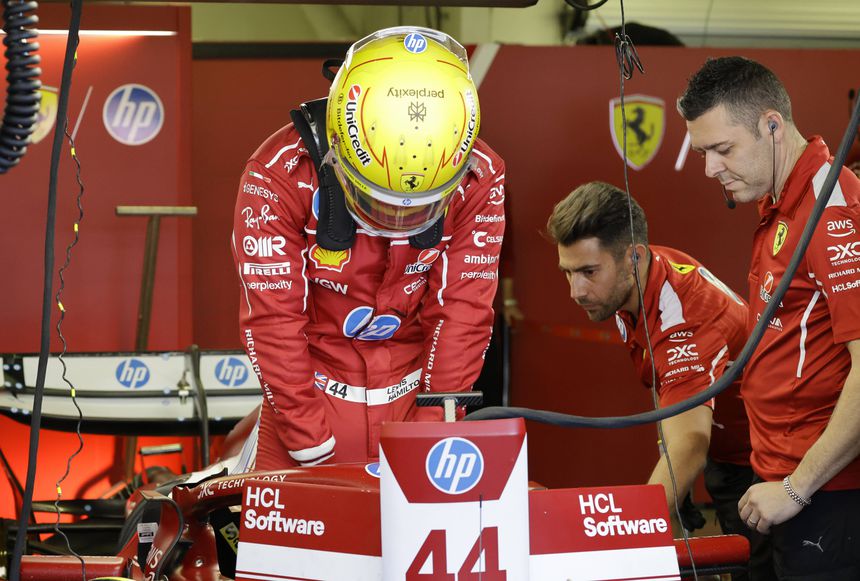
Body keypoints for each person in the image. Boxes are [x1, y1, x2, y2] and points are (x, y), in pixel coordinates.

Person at [231, 26, 505, 469]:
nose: (396, 223)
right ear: (337, 149)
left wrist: (433, 427)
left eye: (418, 209)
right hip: (307, 399)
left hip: (418, 399)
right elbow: (273, 320)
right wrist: (307, 438)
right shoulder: (278, 173)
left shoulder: (480, 174)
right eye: (378, 199)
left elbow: (463, 310)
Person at [679, 56, 860, 579]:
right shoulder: (782, 202)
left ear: (772, 126)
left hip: (824, 495)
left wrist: (796, 487)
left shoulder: (829, 207)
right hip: (783, 481)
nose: (710, 168)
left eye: (722, 149)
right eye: (703, 152)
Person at [547, 182, 772, 580]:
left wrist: (635, 528)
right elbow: (664, 380)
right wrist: (674, 482)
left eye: (587, 272)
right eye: (567, 272)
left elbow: (691, 441)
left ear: (632, 257)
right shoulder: (630, 285)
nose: (575, 291)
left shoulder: (682, 316)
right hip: (729, 453)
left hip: (767, 465)